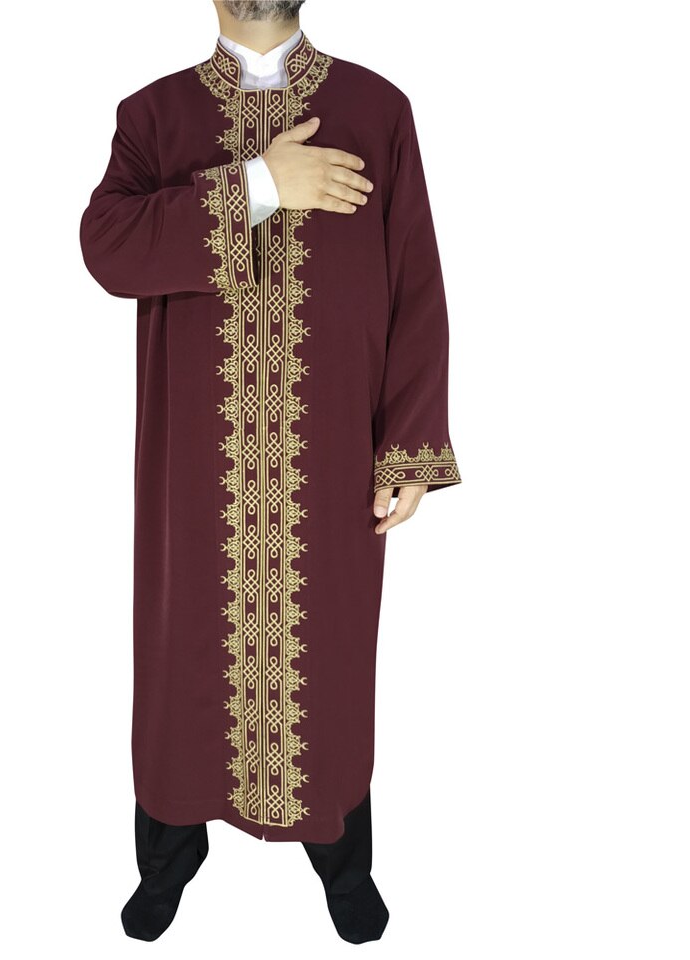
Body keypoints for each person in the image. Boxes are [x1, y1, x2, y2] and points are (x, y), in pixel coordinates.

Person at [79, 0, 460, 944]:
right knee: (182, 659)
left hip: (330, 462)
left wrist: (410, 444)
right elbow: (107, 248)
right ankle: (169, 854)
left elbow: (416, 284)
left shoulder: (377, 110)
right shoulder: (152, 118)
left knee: (332, 658)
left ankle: (343, 860)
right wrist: (257, 185)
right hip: (192, 474)